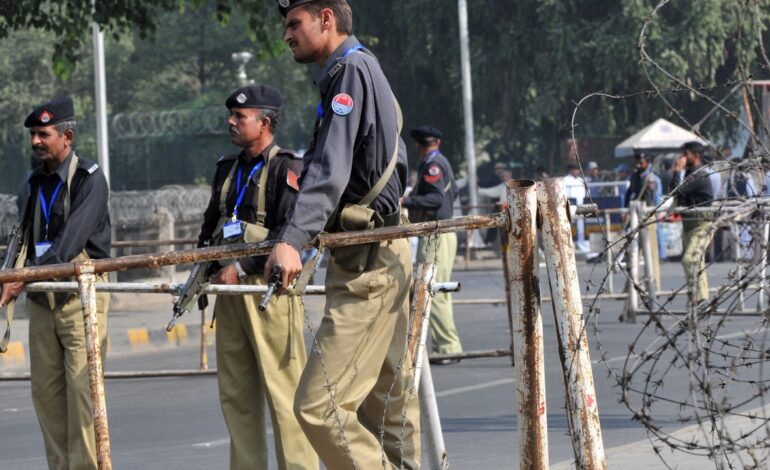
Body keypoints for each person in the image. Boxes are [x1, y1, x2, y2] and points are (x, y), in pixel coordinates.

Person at [266, 1, 420, 468]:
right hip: (378, 252)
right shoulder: (353, 71)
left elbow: (330, 171)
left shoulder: (350, 74)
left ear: (326, 18)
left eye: (295, 23)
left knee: (319, 407)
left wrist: (291, 240)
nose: (288, 36)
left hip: (369, 264)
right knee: (388, 406)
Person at [197, 85, 317, 470]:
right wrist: (202, 271)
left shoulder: (286, 168)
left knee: (285, 396)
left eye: (240, 117)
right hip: (229, 293)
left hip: (270, 292)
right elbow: (209, 227)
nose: (231, 122)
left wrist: (244, 267)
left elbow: (291, 232)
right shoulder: (226, 169)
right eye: (230, 115)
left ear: (264, 123)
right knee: (236, 398)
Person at [0, 96, 111, 469]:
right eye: (33, 134)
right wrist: (11, 273)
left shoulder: (89, 179)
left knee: (83, 400)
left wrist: (22, 277)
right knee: (47, 401)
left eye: (43, 134)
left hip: (80, 299)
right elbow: (24, 240)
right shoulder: (32, 184)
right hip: (42, 302)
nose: (35, 142)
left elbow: (68, 246)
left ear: (67, 136)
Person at [401, 125, 462, 362]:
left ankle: (447, 348)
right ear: (438, 142)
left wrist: (406, 200)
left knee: (431, 290)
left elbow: (436, 198)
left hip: (436, 232)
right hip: (444, 232)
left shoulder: (432, 165)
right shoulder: (442, 162)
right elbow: (451, 193)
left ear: (418, 146)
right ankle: (447, 347)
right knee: (437, 291)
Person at [669, 141, 714, 306]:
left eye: (685, 154)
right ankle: (698, 298)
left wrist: (676, 171)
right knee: (696, 262)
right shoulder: (690, 173)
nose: (682, 157)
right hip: (689, 225)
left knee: (690, 260)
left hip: (701, 225)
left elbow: (676, 191)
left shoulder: (699, 175)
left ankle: (700, 299)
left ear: (696, 156)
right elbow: (673, 193)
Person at [624, 152, 663, 288]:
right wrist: (626, 210)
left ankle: (654, 284)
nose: (638, 164)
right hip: (635, 215)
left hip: (647, 216)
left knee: (651, 253)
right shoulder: (635, 175)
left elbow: (649, 198)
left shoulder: (651, 178)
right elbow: (629, 193)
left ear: (647, 161)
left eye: (641, 161)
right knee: (632, 251)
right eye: (636, 161)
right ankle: (630, 286)